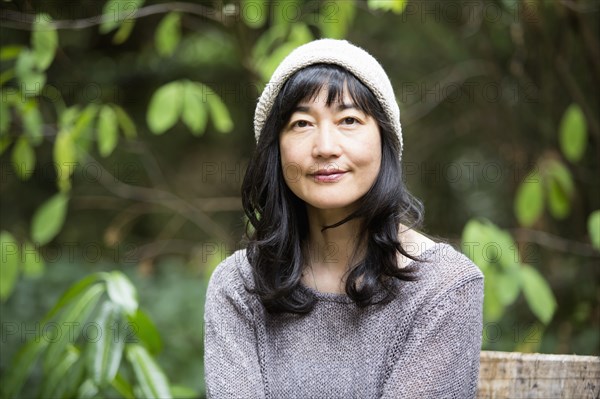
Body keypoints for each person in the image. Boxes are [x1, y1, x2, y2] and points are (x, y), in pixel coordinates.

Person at [203, 39, 484, 398]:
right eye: (302, 123)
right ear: (276, 147)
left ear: (384, 139)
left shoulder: (443, 288)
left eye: (348, 120)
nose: (325, 147)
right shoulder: (239, 286)